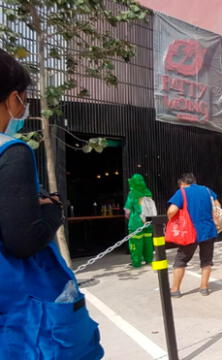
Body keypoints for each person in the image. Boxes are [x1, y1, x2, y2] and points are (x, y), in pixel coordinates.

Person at [0, 48, 103, 359]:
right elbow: (23, 239)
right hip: (18, 312)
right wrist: (52, 208)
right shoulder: (10, 151)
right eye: (24, 96)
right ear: (12, 97)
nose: (25, 105)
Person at [168, 173, 219, 297]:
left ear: (182, 183)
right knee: (206, 260)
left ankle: (175, 290)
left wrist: (172, 221)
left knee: (181, 260)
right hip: (208, 231)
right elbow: (218, 207)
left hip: (189, 232)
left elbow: (172, 210)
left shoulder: (183, 192)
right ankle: (204, 288)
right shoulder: (207, 190)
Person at [124, 174, 156, 267]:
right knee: (148, 242)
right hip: (148, 222)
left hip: (136, 223)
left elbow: (127, 210)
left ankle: (136, 262)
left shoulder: (132, 193)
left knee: (135, 243)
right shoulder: (148, 191)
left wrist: (127, 215)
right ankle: (149, 259)